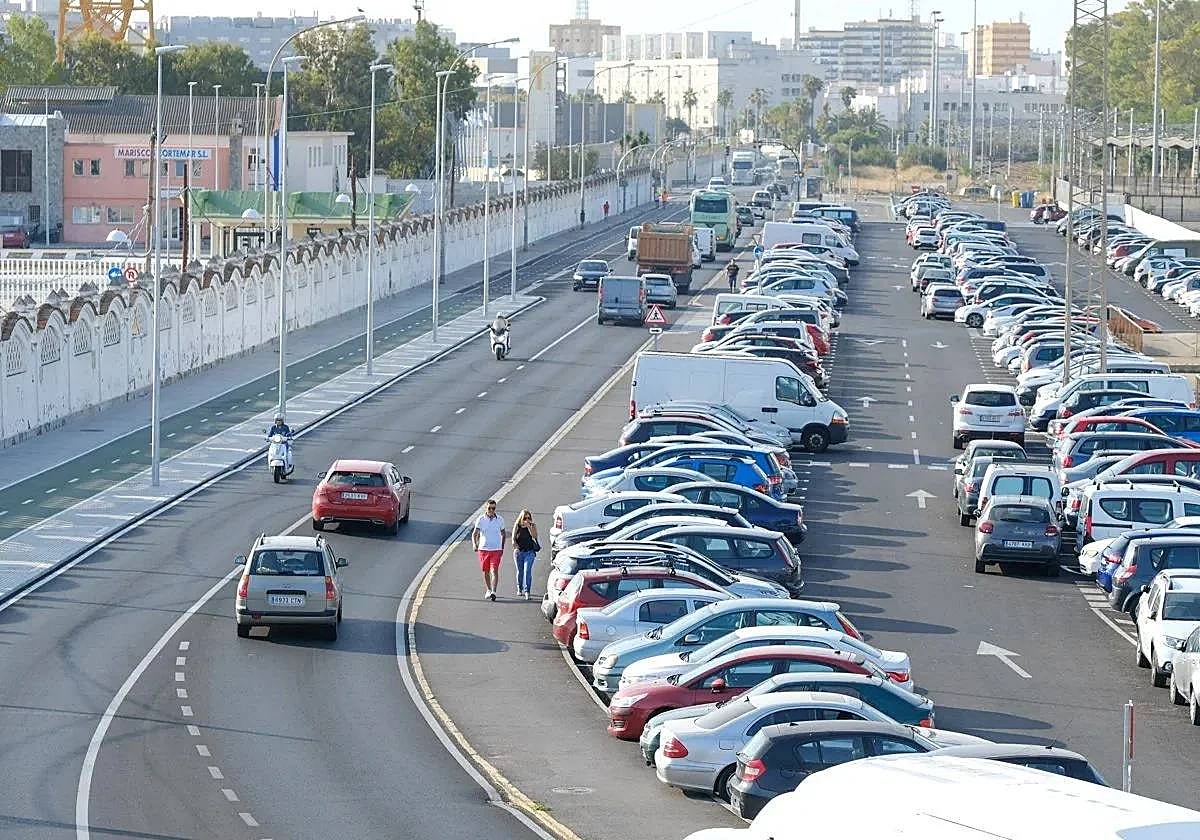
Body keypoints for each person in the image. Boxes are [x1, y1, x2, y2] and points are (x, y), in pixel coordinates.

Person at [471, 499, 506, 601]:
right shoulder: (481, 519)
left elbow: (503, 534)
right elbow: (475, 534)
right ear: (486, 508)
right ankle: (488, 590)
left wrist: (502, 547)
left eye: (493, 508)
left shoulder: (500, 519)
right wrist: (475, 544)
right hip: (483, 549)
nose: (491, 510)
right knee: (486, 571)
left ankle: (494, 592)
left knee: (494, 570)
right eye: (489, 508)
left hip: (496, 549)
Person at [512, 509, 539, 600]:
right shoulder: (517, 525)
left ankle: (527, 591)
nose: (527, 520)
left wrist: (529, 527)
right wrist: (515, 547)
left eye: (528, 518)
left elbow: (534, 536)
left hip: (529, 552)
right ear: (521, 518)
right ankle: (520, 588)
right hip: (519, 552)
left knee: (527, 571)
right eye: (525, 518)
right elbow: (513, 539)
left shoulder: (532, 525)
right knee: (520, 571)